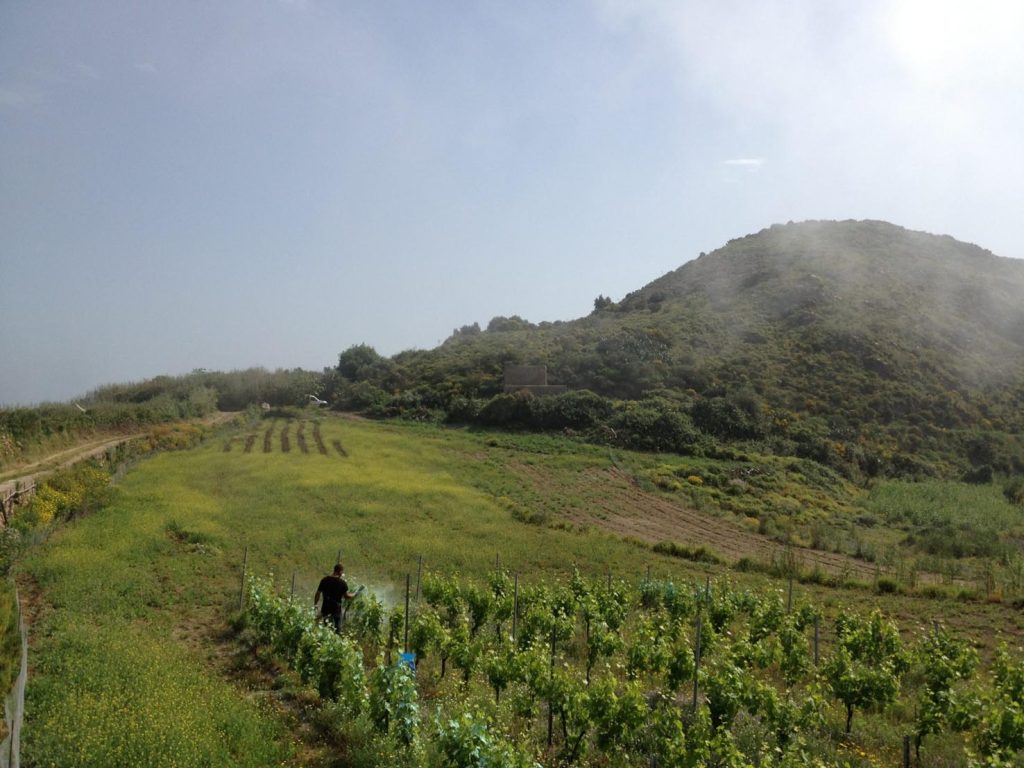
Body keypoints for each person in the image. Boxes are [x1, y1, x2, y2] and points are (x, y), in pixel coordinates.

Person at [314, 563, 355, 633]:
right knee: (337, 630)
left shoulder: (324, 580)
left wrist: (315, 604)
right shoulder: (342, 583)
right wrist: (354, 594)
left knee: (326, 630)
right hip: (336, 610)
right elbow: (346, 596)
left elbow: (318, 594)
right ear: (340, 571)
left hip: (325, 609)